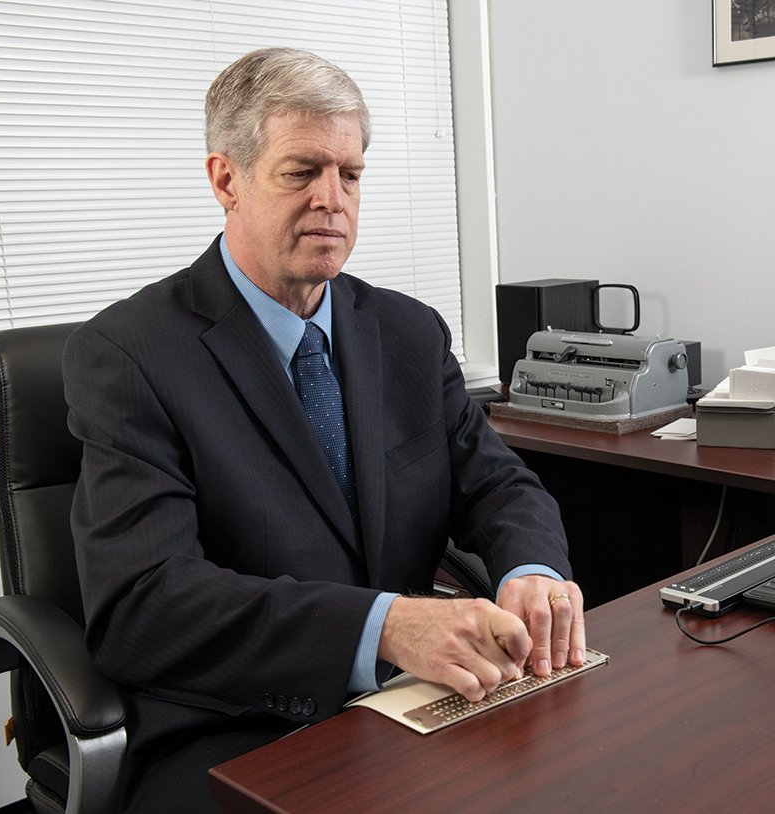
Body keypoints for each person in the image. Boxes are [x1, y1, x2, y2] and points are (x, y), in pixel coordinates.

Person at [63, 47, 585, 814]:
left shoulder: (406, 330)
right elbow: (143, 605)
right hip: (238, 725)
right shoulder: (129, 355)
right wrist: (384, 627)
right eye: (301, 171)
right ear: (225, 180)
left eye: (351, 173)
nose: (333, 199)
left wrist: (529, 569)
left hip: (416, 699)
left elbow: (498, 482)